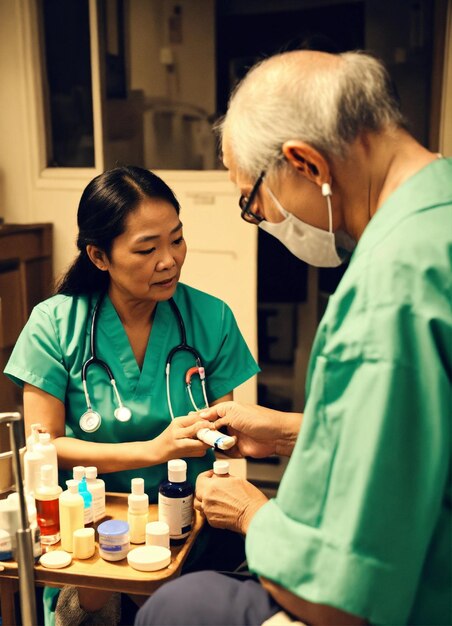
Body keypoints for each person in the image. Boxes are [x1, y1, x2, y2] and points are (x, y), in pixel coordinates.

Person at [135, 50, 452, 626]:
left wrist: (253, 513)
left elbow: (338, 598)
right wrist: (291, 433)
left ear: (306, 163)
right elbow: (418, 432)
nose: (265, 221)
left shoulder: (389, 292)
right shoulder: (438, 212)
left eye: (254, 204)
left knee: (181, 607)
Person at [4, 165, 259, 625]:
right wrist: (151, 449)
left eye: (176, 239)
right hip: (91, 536)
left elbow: (227, 429)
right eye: (147, 248)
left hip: (191, 532)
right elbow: (45, 446)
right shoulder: (54, 325)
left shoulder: (211, 318)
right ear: (99, 256)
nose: (170, 260)